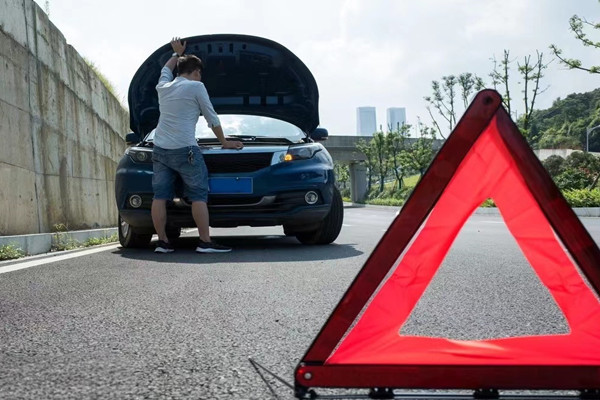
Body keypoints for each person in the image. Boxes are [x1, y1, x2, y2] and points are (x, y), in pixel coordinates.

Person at [151, 37, 243, 254]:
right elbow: (212, 118)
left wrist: (176, 53)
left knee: (160, 196)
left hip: (160, 149)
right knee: (198, 195)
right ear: (196, 72)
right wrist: (224, 142)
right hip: (186, 150)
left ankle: (162, 242)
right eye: (199, 73)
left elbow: (165, 69)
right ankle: (205, 242)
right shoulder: (196, 86)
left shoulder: (163, 86)